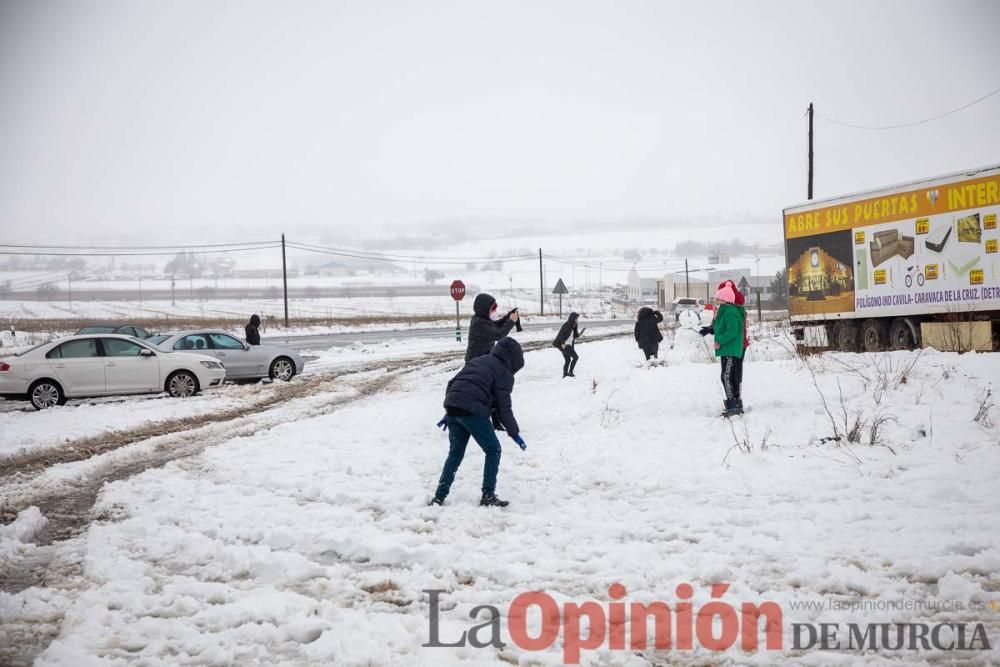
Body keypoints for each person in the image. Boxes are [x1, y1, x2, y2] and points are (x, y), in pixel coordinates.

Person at [430, 337, 526, 507]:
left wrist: (449, 411)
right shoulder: (503, 372)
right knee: (493, 449)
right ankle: (488, 495)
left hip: (453, 407)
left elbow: (452, 383)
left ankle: (439, 497)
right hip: (472, 411)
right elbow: (504, 408)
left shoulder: (478, 360)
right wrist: (515, 433)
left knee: (455, 454)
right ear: (514, 360)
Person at [700, 282, 746, 416]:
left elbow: (732, 331)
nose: (716, 301)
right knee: (727, 376)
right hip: (727, 348)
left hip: (730, 349)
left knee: (726, 376)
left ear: (725, 300)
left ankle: (733, 405)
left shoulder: (730, 312)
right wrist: (710, 329)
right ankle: (735, 403)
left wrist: (719, 340)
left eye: (718, 298)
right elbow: (720, 327)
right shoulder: (723, 311)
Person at [465, 293, 519, 363]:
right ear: (484, 309)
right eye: (493, 309)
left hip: (482, 359)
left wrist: (507, 317)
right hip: (476, 362)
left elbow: (495, 325)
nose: (495, 312)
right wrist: (511, 321)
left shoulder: (482, 319)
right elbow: (498, 335)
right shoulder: (479, 324)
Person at [552, 312, 584, 378]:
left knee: (568, 360)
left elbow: (574, 335)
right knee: (576, 357)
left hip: (568, 345)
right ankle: (570, 372)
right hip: (565, 345)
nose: (577, 320)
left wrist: (579, 334)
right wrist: (563, 343)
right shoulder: (566, 325)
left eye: (577, 319)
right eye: (576, 318)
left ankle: (565, 374)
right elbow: (561, 335)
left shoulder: (573, 326)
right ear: (572, 319)